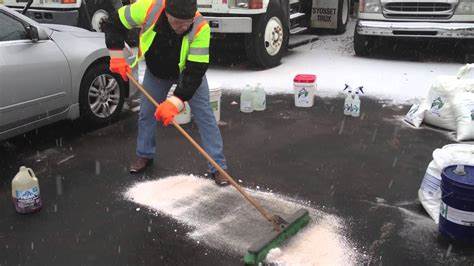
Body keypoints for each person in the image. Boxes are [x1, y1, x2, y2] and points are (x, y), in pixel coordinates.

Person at [101, 0, 229, 186]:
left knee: (205, 116)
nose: (182, 27)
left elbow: (195, 70)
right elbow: (114, 22)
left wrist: (177, 101)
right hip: (157, 72)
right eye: (177, 22)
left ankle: (218, 166)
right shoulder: (148, 8)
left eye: (187, 23)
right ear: (166, 14)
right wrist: (116, 56)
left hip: (187, 72)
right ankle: (144, 155)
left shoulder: (200, 27)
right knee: (146, 113)